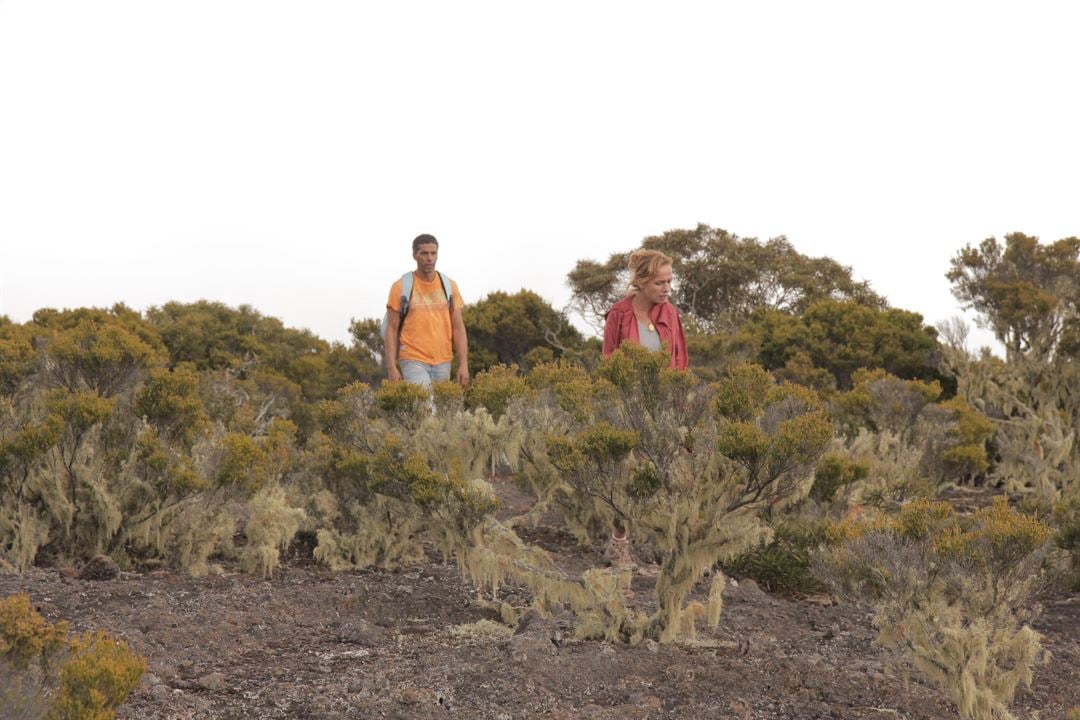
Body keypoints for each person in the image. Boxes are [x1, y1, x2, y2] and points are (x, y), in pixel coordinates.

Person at [385, 234, 470, 387]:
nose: (429, 258)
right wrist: (391, 367)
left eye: (433, 253)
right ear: (414, 255)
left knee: (441, 410)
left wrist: (463, 364)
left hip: (443, 360)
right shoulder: (400, 287)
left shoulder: (449, 286)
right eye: (424, 253)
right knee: (425, 408)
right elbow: (391, 329)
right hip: (412, 358)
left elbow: (458, 328)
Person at [602, 249, 689, 370]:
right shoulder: (618, 314)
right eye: (659, 283)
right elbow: (608, 361)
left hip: (666, 388)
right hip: (629, 388)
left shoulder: (670, 313)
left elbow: (681, 361)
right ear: (641, 282)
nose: (667, 288)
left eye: (669, 281)